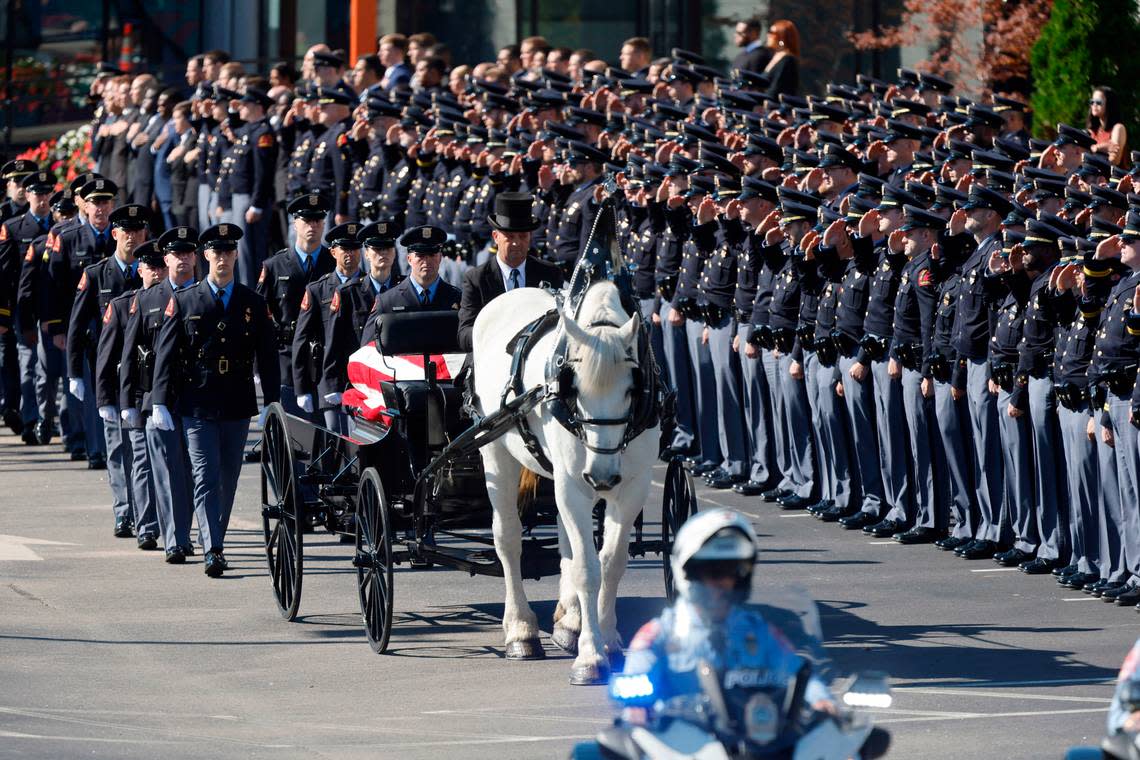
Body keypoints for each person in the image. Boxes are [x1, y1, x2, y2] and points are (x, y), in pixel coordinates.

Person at [151, 223, 279, 578]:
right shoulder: (185, 299)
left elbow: (267, 355)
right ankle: (213, 549)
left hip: (237, 401)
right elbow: (166, 353)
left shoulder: (253, 302)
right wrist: (160, 400)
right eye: (216, 252)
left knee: (228, 476)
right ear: (204, 256)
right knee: (205, 474)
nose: (222, 258)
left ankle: (215, 537)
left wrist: (271, 400)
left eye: (228, 252)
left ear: (236, 255)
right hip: (198, 401)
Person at [619, 508, 835, 717]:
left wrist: (821, 700)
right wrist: (636, 710)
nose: (721, 582)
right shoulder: (657, 637)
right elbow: (634, 690)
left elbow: (797, 672)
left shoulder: (759, 631)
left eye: (732, 572)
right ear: (690, 574)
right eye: (711, 572)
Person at [119, 226, 199, 564]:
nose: (179, 260)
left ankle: (185, 530)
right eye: (174, 254)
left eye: (186, 253)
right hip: (155, 399)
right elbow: (128, 355)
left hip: (196, 396)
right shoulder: (147, 298)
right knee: (166, 471)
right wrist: (126, 403)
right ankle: (174, 540)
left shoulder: (203, 295)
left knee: (194, 471)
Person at [67, 201, 147, 535]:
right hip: (110, 373)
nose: (132, 237)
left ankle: (145, 511)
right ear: (114, 234)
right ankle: (124, 511)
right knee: (116, 448)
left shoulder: (151, 273)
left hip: (143, 374)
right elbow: (77, 324)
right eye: (126, 232)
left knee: (142, 449)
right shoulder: (97, 274)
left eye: (137, 231)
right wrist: (74, 373)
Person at [96, 240, 165, 551]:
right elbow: (107, 357)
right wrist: (106, 401)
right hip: (136, 396)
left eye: (161, 266)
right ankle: (147, 526)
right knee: (141, 461)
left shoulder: (181, 301)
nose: (157, 273)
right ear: (140, 271)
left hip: (168, 397)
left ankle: (170, 522)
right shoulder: (124, 305)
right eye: (150, 267)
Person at [258, 193, 335, 418]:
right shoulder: (274, 265)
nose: (312, 226)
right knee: (292, 436)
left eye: (317, 221)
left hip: (324, 356)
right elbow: (259, 317)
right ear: (295, 223)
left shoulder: (333, 264)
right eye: (306, 221)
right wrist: (257, 365)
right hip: (287, 356)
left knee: (324, 437)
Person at [457, 191, 564, 352]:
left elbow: (561, 325)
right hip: (491, 358)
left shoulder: (550, 274)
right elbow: (464, 335)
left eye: (523, 236)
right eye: (509, 236)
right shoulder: (476, 279)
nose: (516, 243)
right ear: (495, 237)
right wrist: (499, 333)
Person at [292, 222, 362, 433]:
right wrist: (301, 388)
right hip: (329, 378)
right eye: (344, 249)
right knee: (334, 438)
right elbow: (301, 339)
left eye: (355, 248)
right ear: (333, 252)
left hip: (361, 378)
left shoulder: (370, 288)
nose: (350, 254)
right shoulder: (317, 290)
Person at [363, 225, 461, 335]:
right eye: (420, 254)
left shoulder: (457, 298)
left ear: (440, 257)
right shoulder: (387, 301)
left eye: (432, 254)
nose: (426, 260)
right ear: (409, 259)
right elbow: (368, 348)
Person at [1087, 85, 1128, 167]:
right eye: (1092, 102)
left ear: (1109, 104)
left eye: (1098, 102)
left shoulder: (1118, 128)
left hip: (1114, 178)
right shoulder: (1092, 131)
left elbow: (1114, 160)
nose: (1094, 105)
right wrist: (1101, 147)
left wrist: (1094, 149)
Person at [764, 19, 800, 98]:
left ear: (782, 37)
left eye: (771, 33)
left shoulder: (787, 60)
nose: (768, 35)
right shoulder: (774, 56)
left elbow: (776, 88)